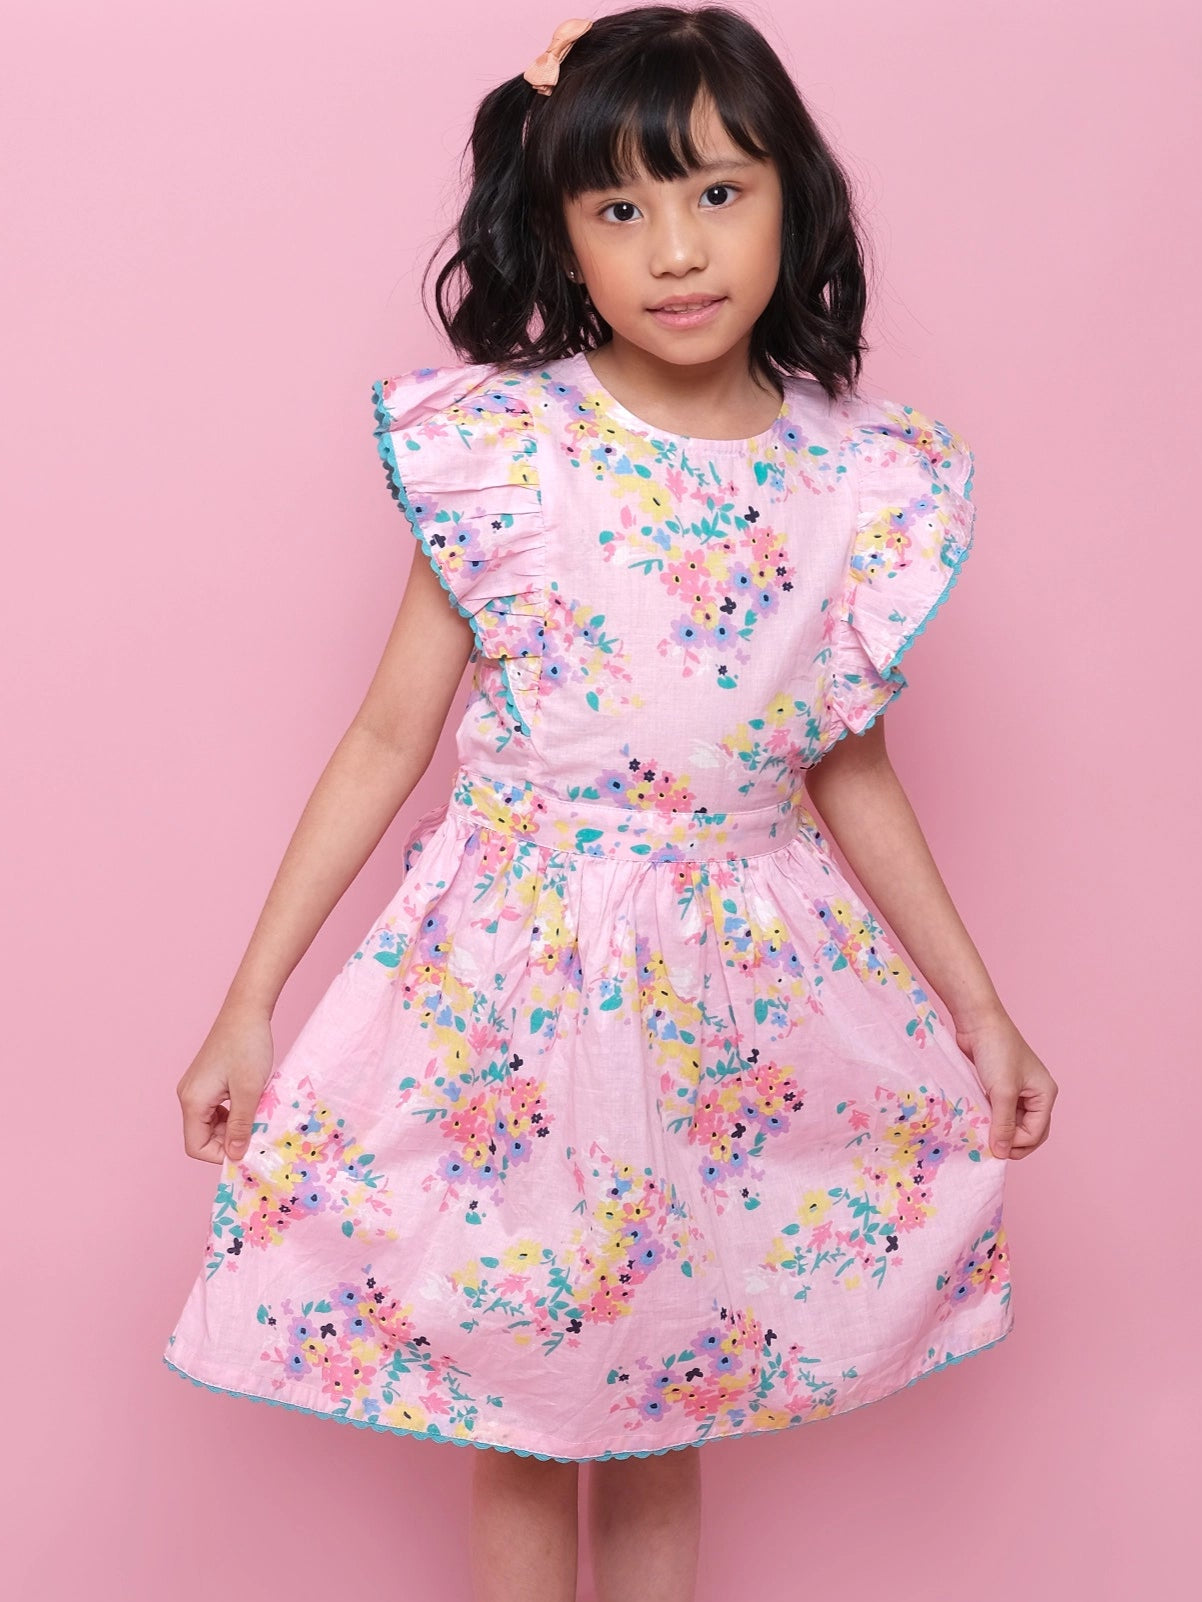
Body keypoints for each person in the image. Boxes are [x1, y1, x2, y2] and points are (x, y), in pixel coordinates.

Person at [165, 6, 1057, 1600]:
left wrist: (977, 1004)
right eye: (620, 209)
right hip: (516, 979)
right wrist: (251, 1003)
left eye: (718, 191)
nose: (676, 247)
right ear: (563, 241)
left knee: (665, 1389)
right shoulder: (513, 450)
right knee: (522, 1389)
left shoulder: (852, 480)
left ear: (795, 197)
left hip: (728, 994)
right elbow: (386, 737)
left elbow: (844, 757)